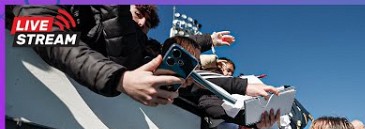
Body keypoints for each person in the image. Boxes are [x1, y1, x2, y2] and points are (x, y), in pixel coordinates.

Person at [10, 5, 241, 107]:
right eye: (139, 14)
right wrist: (121, 79)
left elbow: (168, 50)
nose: (142, 23)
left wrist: (208, 40)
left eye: (148, 23)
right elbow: (37, 30)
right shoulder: (76, 11)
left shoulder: (144, 45)